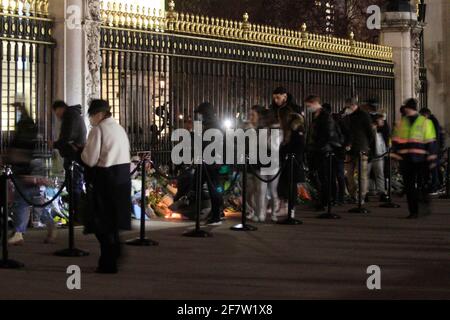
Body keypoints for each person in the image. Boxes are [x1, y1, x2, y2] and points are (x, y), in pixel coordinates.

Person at [81, 99, 132, 274]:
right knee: (113, 222)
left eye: (92, 115)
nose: (91, 119)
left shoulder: (98, 130)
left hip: (105, 179)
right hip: (123, 179)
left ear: (99, 114)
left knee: (101, 223)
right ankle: (114, 251)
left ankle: (108, 261)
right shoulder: (119, 129)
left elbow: (90, 159)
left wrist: (80, 151)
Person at [6, 102, 55, 245]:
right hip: (29, 171)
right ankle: (49, 224)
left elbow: (22, 150)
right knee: (35, 201)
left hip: (26, 171)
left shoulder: (25, 131)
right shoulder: (32, 131)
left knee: (22, 201)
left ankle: (19, 232)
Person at [391, 98, 437, 219]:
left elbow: (430, 142)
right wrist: (395, 155)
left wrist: (431, 159)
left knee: (422, 185)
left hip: (421, 160)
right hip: (408, 160)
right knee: (409, 186)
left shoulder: (424, 122)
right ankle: (414, 211)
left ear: (407, 108)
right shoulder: (402, 123)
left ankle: (421, 204)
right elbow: (395, 141)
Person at [52, 101, 87, 219]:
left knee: (74, 185)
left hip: (74, 156)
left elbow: (67, 136)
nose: (57, 116)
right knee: (73, 184)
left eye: (57, 113)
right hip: (75, 155)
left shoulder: (70, 116)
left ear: (61, 108)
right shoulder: (74, 115)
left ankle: (76, 215)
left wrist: (55, 144)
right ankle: (77, 214)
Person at [304, 95, 340, 211]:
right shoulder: (316, 115)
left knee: (324, 177)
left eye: (309, 106)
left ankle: (325, 201)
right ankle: (323, 200)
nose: (308, 108)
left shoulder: (325, 116)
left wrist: (317, 147)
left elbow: (327, 135)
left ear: (314, 103)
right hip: (317, 151)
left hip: (323, 151)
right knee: (319, 177)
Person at [194, 102, 224, 226]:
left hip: (211, 162)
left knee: (213, 188)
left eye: (199, 114)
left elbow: (208, 145)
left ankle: (216, 216)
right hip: (213, 161)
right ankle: (217, 213)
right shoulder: (212, 125)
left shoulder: (211, 127)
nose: (198, 117)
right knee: (214, 187)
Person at [343, 98, 374, 204]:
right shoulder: (348, 117)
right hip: (350, 149)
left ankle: (361, 196)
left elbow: (370, 133)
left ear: (353, 105)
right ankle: (353, 194)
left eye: (348, 106)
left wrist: (368, 147)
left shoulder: (364, 115)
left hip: (361, 148)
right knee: (349, 174)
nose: (347, 108)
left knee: (362, 175)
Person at [277, 106, 306, 213]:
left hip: (293, 160)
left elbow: (300, 145)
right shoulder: (287, 127)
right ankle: (285, 207)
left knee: (290, 185)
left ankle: (291, 209)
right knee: (283, 185)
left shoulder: (296, 127)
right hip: (287, 160)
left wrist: (290, 154)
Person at [420, 107, 445, 194]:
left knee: (433, 169)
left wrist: (432, 150)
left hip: (433, 149)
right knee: (435, 169)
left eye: (422, 115)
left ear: (425, 114)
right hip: (434, 149)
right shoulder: (433, 121)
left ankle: (435, 186)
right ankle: (437, 185)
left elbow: (434, 136)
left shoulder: (431, 121)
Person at [368, 113, 389, 201]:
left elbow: (387, 134)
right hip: (369, 155)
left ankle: (381, 192)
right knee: (367, 174)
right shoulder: (370, 129)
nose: (383, 121)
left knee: (379, 174)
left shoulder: (382, 129)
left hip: (379, 155)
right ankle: (367, 192)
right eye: (381, 120)